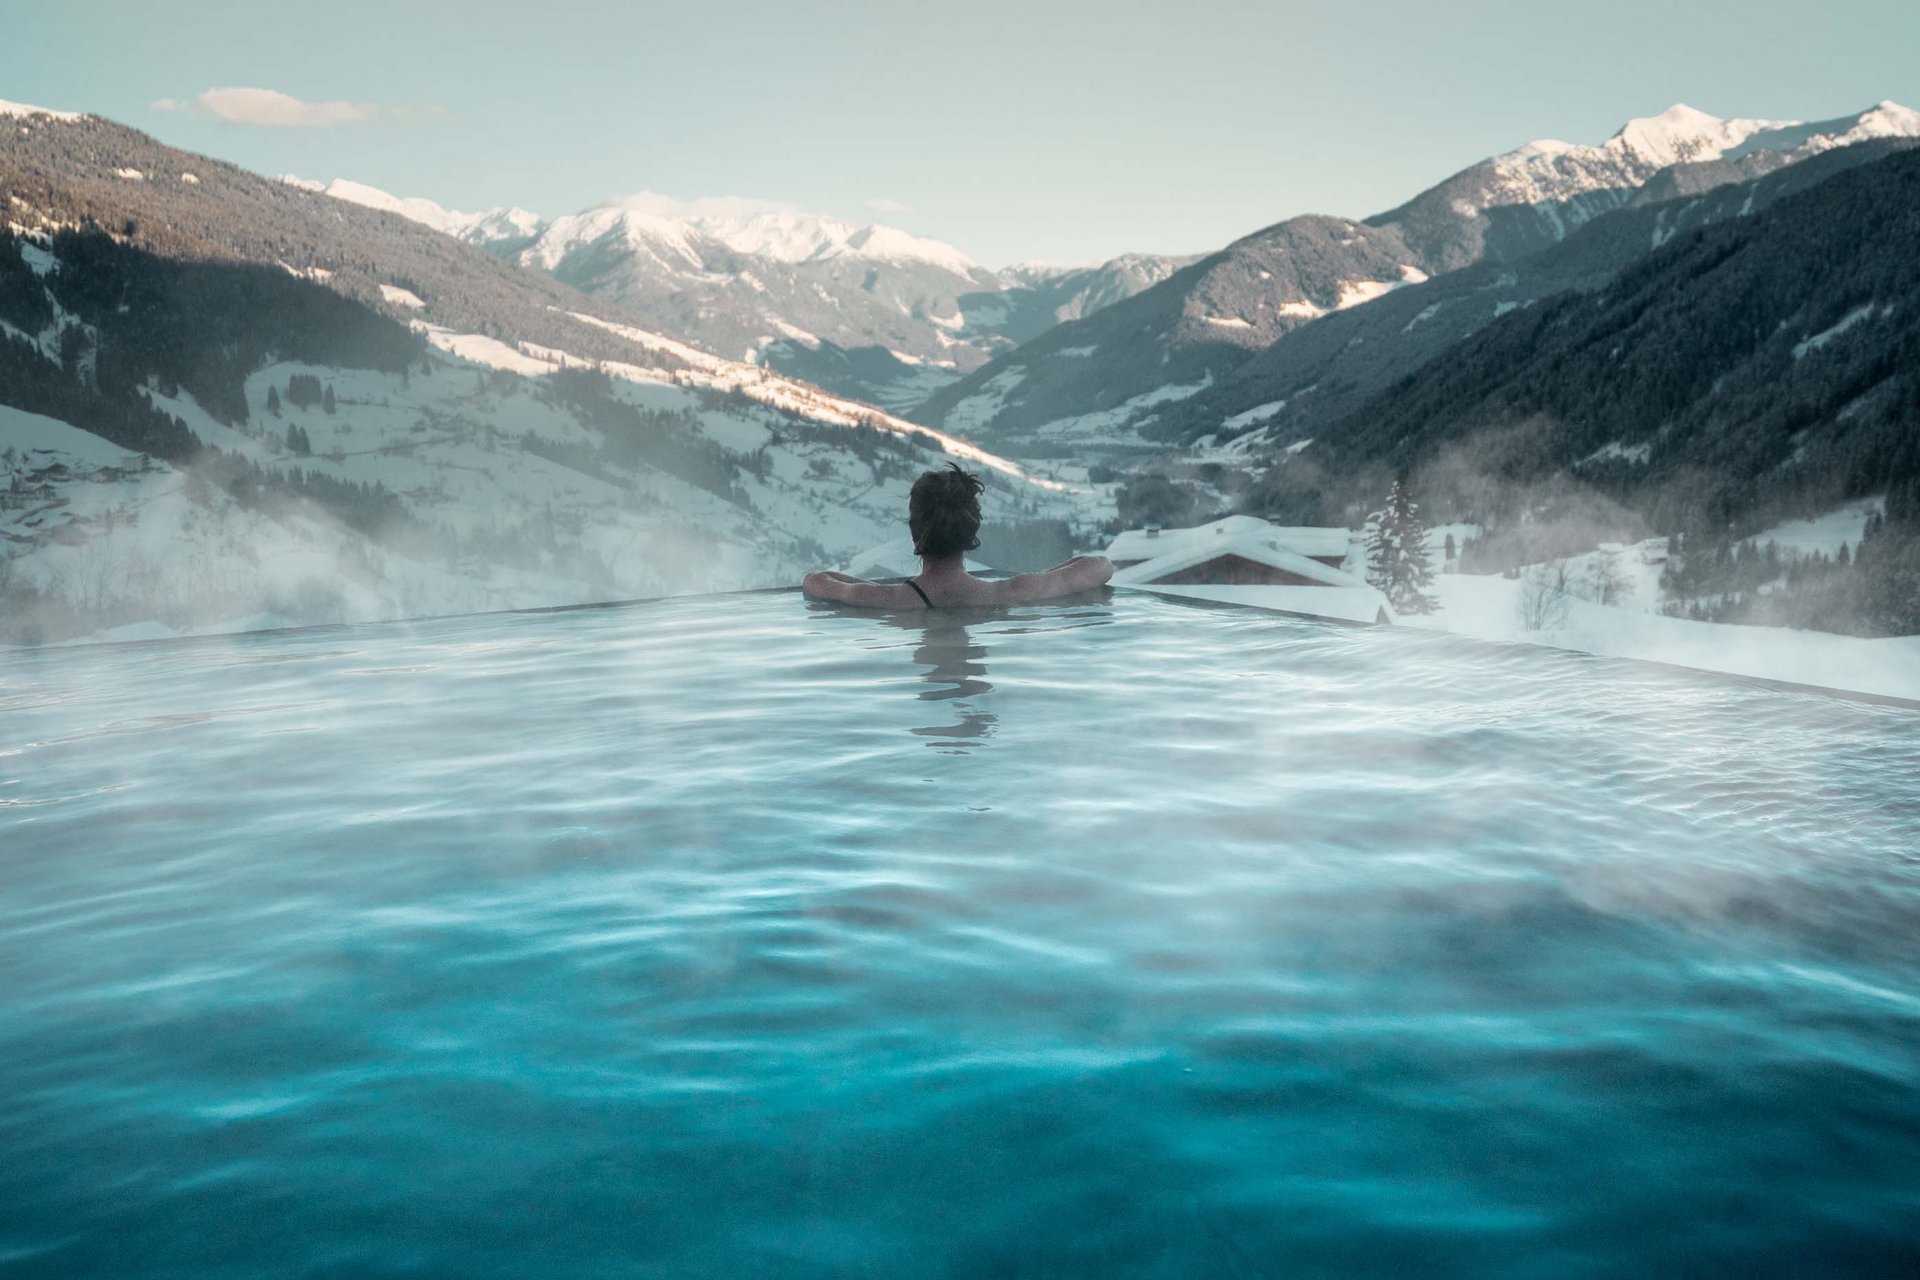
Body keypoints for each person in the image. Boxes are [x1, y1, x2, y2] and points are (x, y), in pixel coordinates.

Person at [802, 464, 1113, 608]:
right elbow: (1100, 566)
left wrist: (871, 587)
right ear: (971, 532)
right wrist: (1037, 580)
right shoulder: (1007, 594)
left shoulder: (889, 600)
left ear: (915, 532)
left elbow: (815, 580)